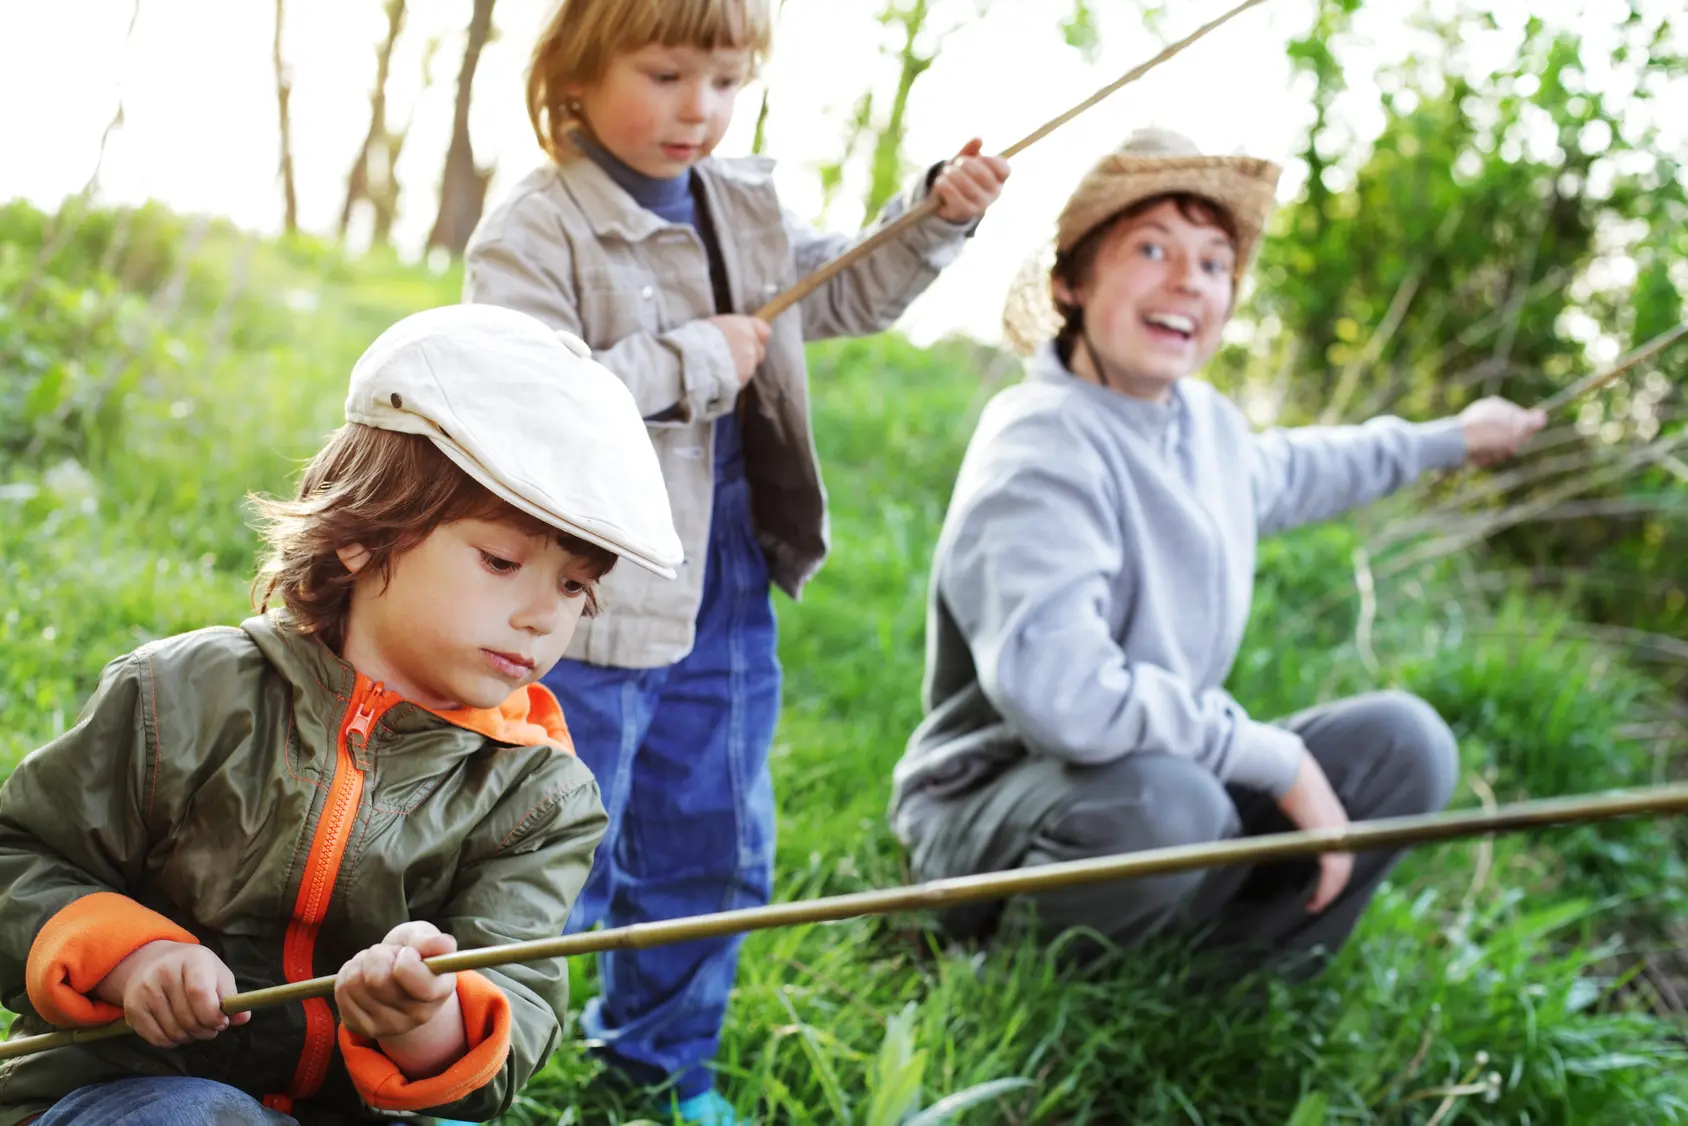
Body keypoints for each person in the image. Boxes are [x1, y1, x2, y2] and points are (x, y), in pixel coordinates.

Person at [460, 1, 1010, 1120]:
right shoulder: (536, 227)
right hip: (590, 612)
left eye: (724, 77)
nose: (698, 108)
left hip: (724, 595)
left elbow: (842, 288)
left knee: (712, 840)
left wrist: (927, 218)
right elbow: (516, 402)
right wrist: (687, 359)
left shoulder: (737, 202)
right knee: (552, 851)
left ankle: (660, 1064)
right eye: (665, 74)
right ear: (573, 73)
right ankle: (463, 1071)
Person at [0, 304, 684, 1126]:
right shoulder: (179, 695)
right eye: (502, 562)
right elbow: (19, 859)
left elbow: (517, 1001)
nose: (543, 614)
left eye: (575, 585)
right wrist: (128, 957)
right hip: (127, 1099)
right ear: (364, 534)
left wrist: (425, 1019)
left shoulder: (538, 796)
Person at [888, 128, 1546, 975]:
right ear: (1071, 282)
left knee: (1406, 744)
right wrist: (1276, 758)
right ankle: (1011, 982)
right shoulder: (1039, 447)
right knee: (1172, 802)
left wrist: (1451, 438)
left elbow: (1310, 466)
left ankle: (1215, 991)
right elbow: (1065, 699)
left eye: (1211, 263)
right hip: (993, 809)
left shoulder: (1202, 429)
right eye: (1151, 248)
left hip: (1145, 775)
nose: (1184, 282)